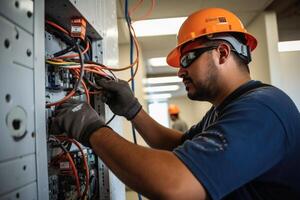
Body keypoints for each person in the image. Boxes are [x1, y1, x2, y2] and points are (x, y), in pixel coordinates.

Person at [51, 8, 300, 200]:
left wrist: (92, 129)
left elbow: (173, 185)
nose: (180, 71)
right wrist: (133, 111)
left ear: (223, 53)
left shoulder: (263, 109)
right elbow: (178, 146)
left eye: (188, 58)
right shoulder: (225, 108)